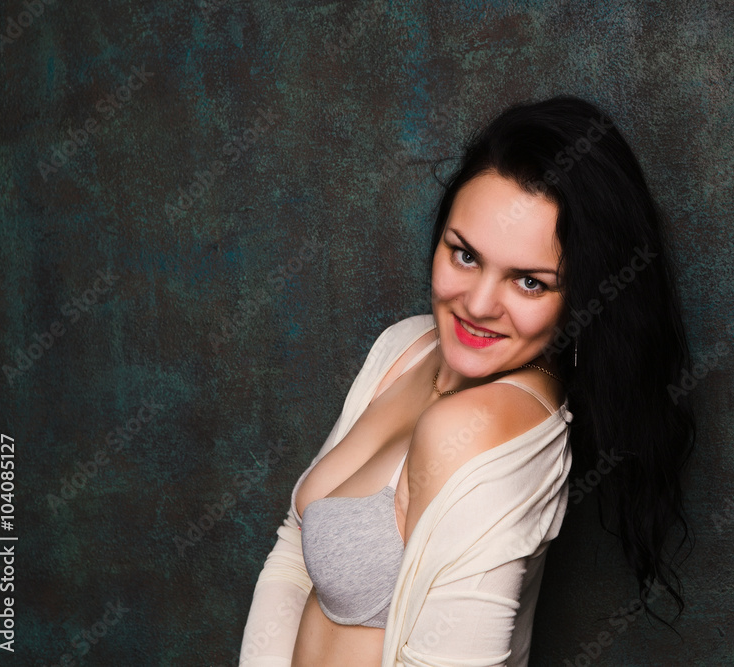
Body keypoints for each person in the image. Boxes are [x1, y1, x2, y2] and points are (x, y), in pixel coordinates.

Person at [239, 95, 695, 666]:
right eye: (465, 255)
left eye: (529, 282)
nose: (478, 304)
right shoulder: (404, 348)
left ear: (580, 298)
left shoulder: (486, 424)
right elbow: (292, 554)